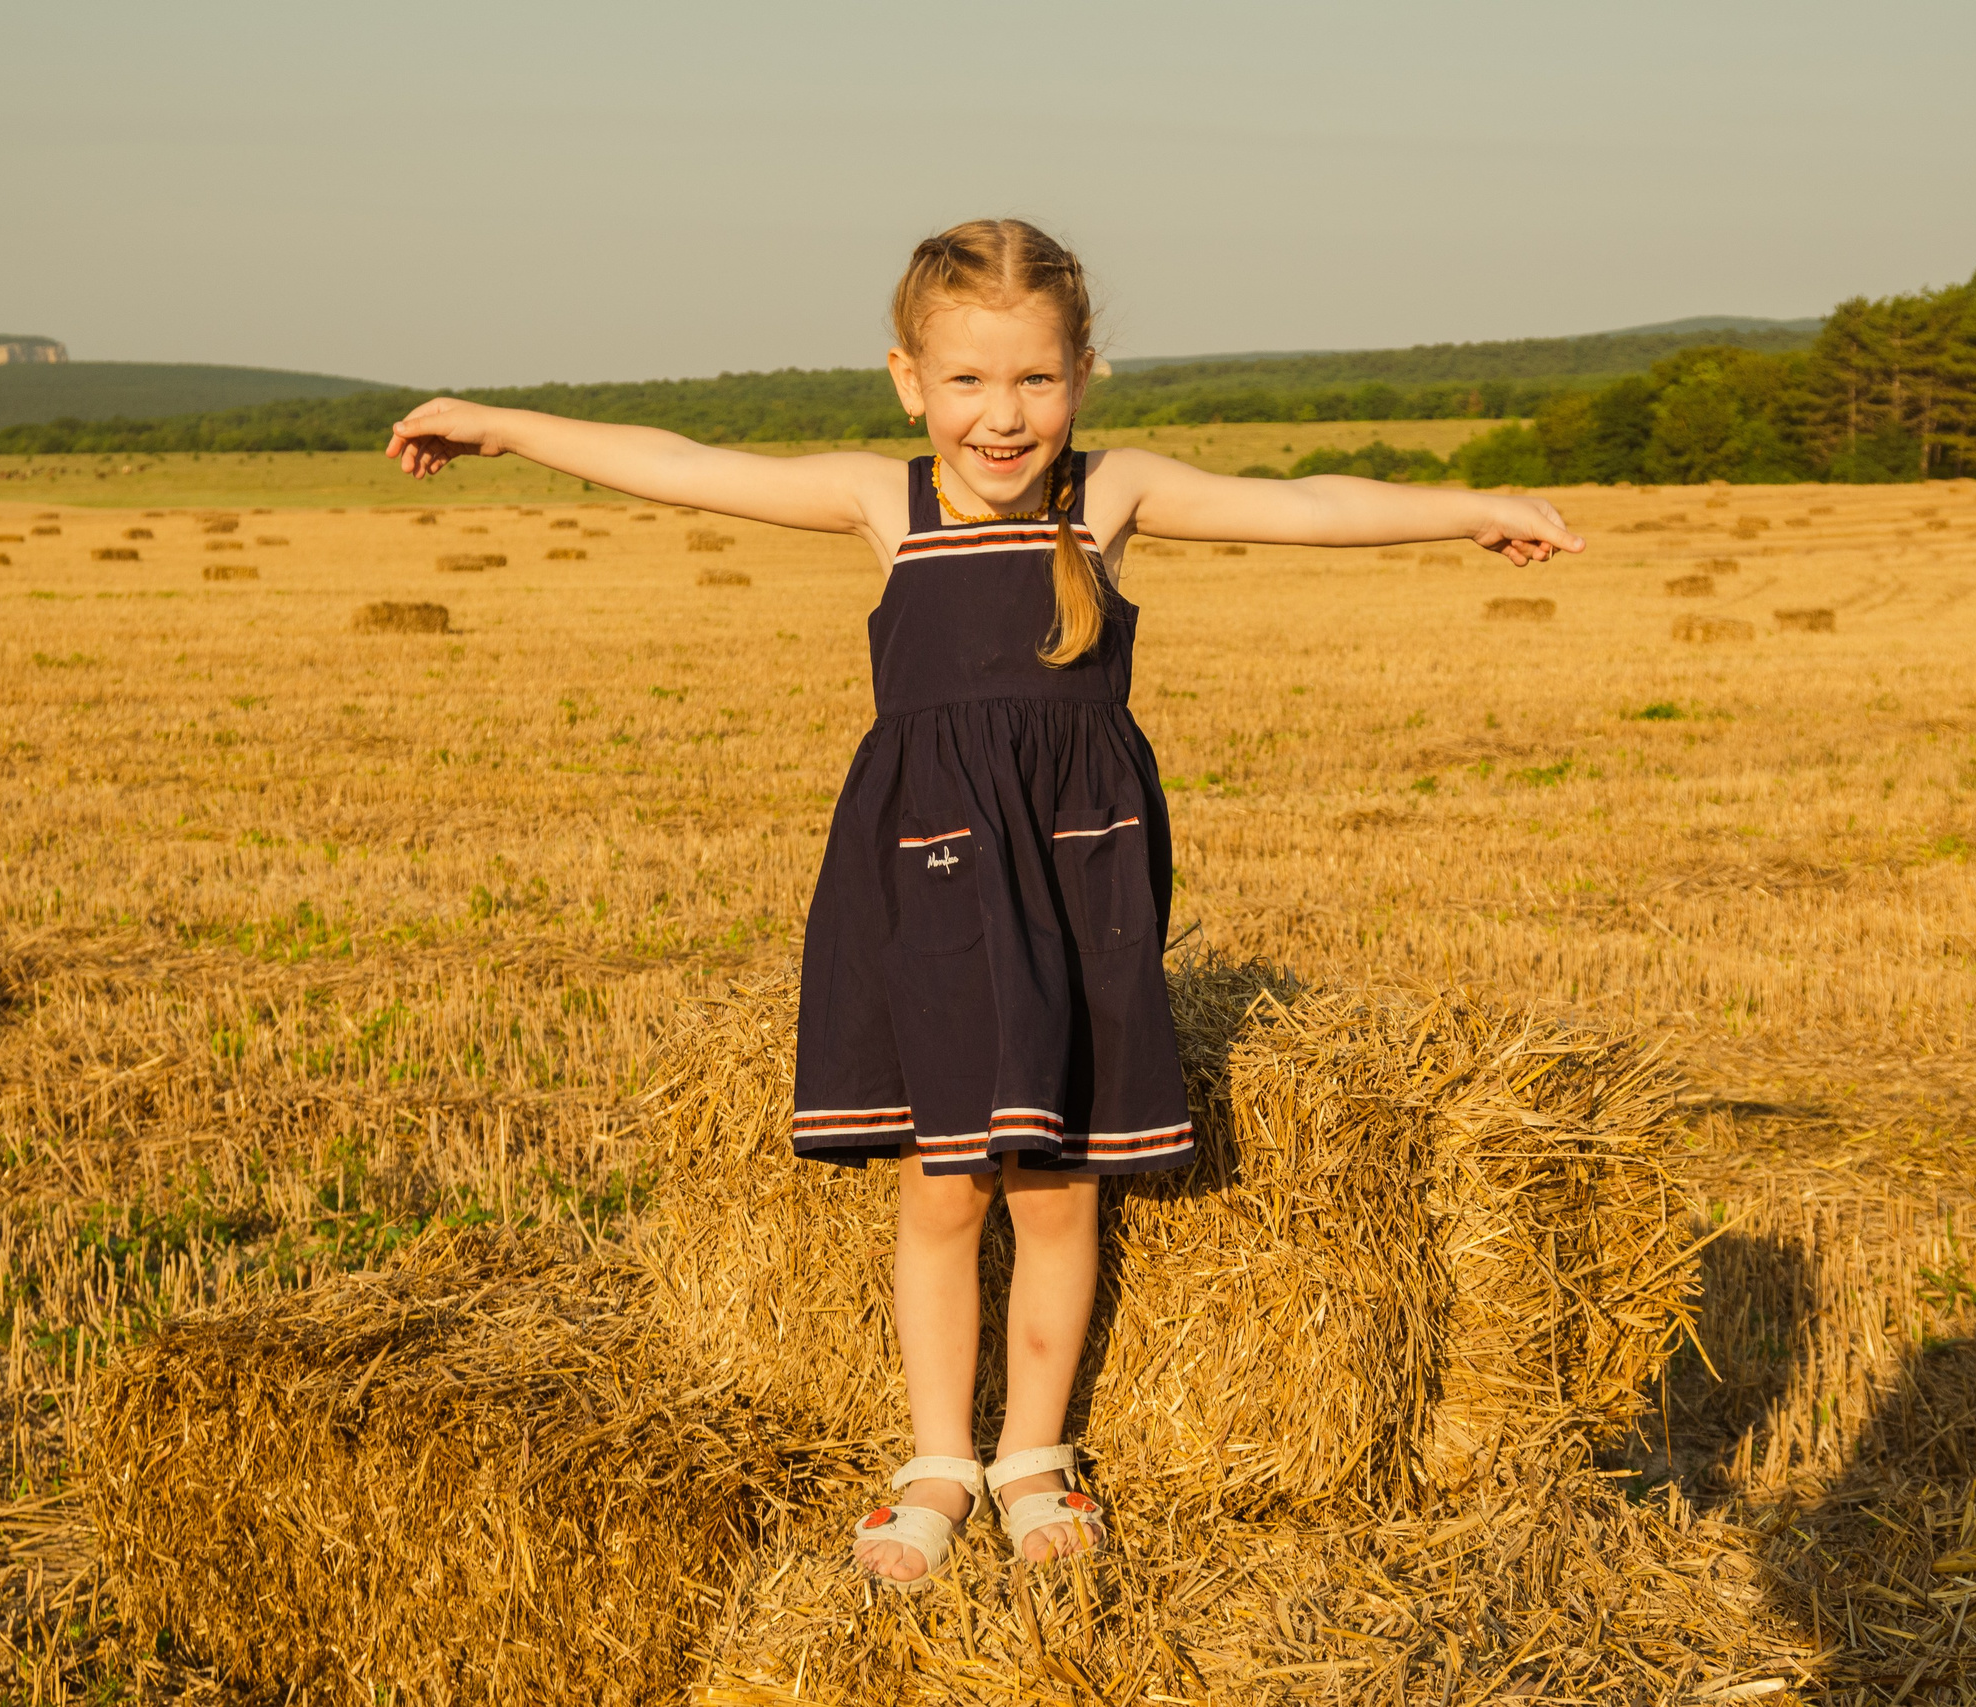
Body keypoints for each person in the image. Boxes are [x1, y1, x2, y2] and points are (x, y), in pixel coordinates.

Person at [386, 218, 1584, 1589]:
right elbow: (682, 467)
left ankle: (1032, 1458)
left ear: (1084, 375)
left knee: (1063, 1188)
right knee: (946, 1184)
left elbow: (1307, 502)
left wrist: (1476, 507)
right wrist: (499, 425)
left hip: (1082, 878)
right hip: (933, 881)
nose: (1000, 418)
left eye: (1033, 382)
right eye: (966, 384)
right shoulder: (882, 503)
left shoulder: (1110, 495)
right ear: (909, 380)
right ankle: (937, 1461)